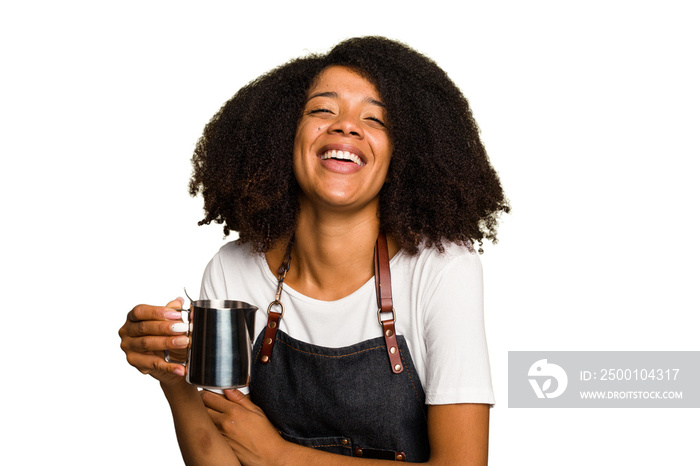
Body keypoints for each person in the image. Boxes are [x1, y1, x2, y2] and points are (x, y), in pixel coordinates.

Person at [119, 36, 509, 465]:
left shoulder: (441, 270)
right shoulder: (234, 270)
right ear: (285, 133)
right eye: (323, 110)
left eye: (376, 119)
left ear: (404, 155)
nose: (346, 125)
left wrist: (278, 455)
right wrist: (174, 379)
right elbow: (222, 455)